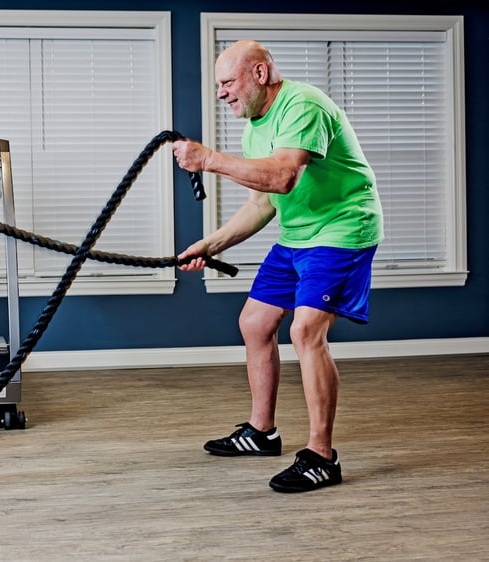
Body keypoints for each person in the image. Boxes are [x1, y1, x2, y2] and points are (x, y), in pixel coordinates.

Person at [173, 39, 384, 493]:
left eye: (228, 83)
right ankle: (262, 433)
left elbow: (284, 176)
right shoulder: (256, 125)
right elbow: (263, 205)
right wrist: (210, 245)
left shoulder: (302, 105)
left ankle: (322, 456)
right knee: (254, 322)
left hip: (342, 229)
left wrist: (208, 159)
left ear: (260, 75)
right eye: (218, 85)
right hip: (298, 235)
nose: (221, 93)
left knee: (306, 331)